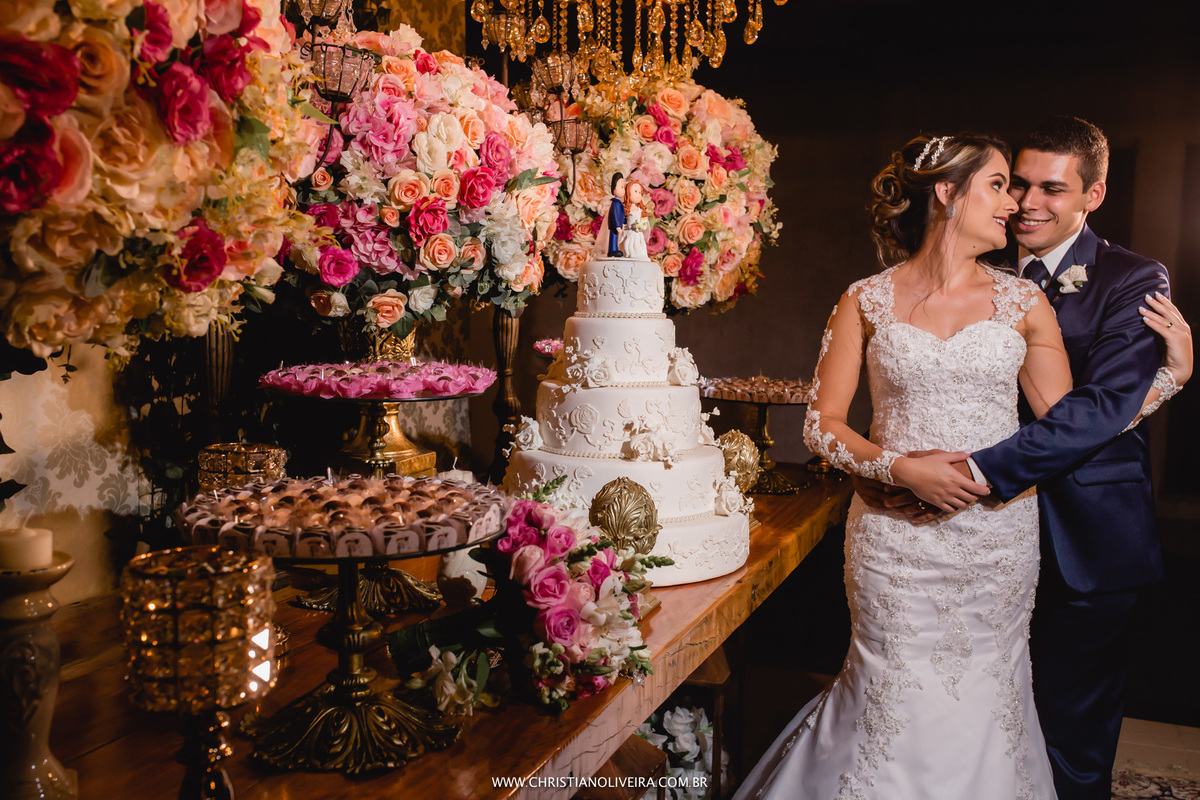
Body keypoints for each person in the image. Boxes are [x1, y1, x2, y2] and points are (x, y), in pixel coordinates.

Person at [733, 133, 1190, 800]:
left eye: (1028, 188)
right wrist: (895, 469)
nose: (1017, 205)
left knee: (988, 694)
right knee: (888, 687)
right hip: (893, 539)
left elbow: (1070, 424)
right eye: (1002, 185)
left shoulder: (1023, 302)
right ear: (947, 191)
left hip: (995, 539)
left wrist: (1166, 382)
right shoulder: (863, 298)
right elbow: (821, 424)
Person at [620, 179, 649, 260]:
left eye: (639, 192)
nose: (638, 194)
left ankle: (639, 256)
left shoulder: (640, 209)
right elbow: (623, 221)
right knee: (628, 246)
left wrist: (642, 225)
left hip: (638, 233)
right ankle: (628, 255)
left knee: (639, 246)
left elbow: (645, 221)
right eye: (635, 191)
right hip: (629, 232)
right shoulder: (627, 208)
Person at [606, 173, 626, 257]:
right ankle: (612, 250)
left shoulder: (618, 203)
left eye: (623, 187)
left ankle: (614, 249)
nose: (623, 190)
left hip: (617, 224)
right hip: (615, 225)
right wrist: (617, 225)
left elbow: (620, 215)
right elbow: (615, 215)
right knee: (613, 237)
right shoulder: (615, 203)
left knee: (615, 237)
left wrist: (625, 220)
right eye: (621, 187)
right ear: (614, 188)